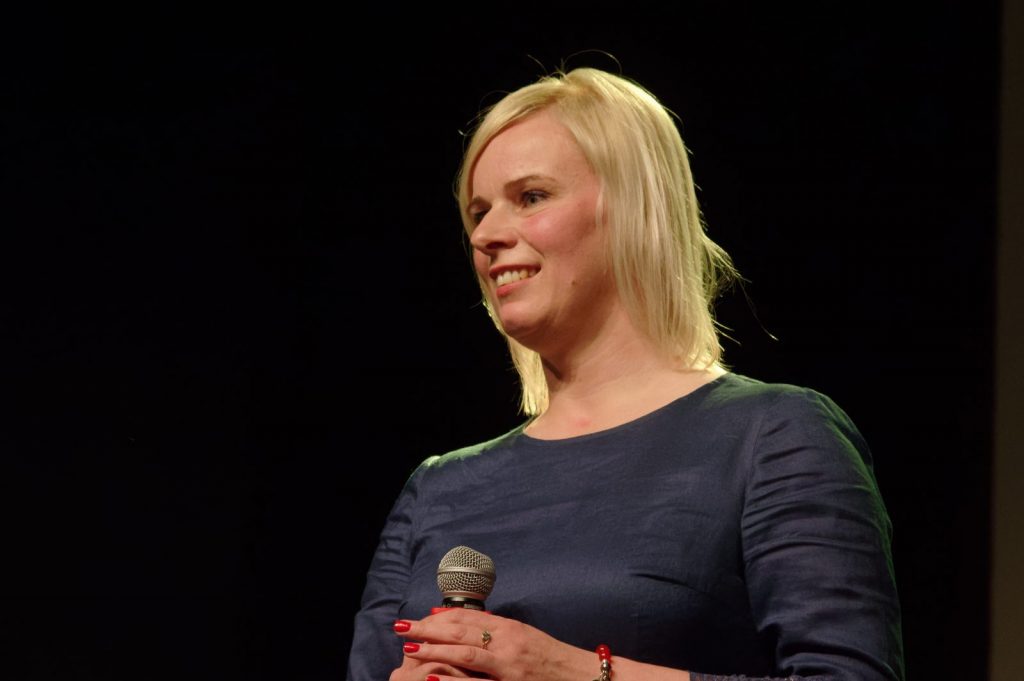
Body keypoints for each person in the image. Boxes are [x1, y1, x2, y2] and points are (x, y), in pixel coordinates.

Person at [346, 67, 904, 681]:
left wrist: (566, 671)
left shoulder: (773, 437)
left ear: (636, 207)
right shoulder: (438, 488)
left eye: (531, 197)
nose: (486, 235)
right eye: (478, 212)